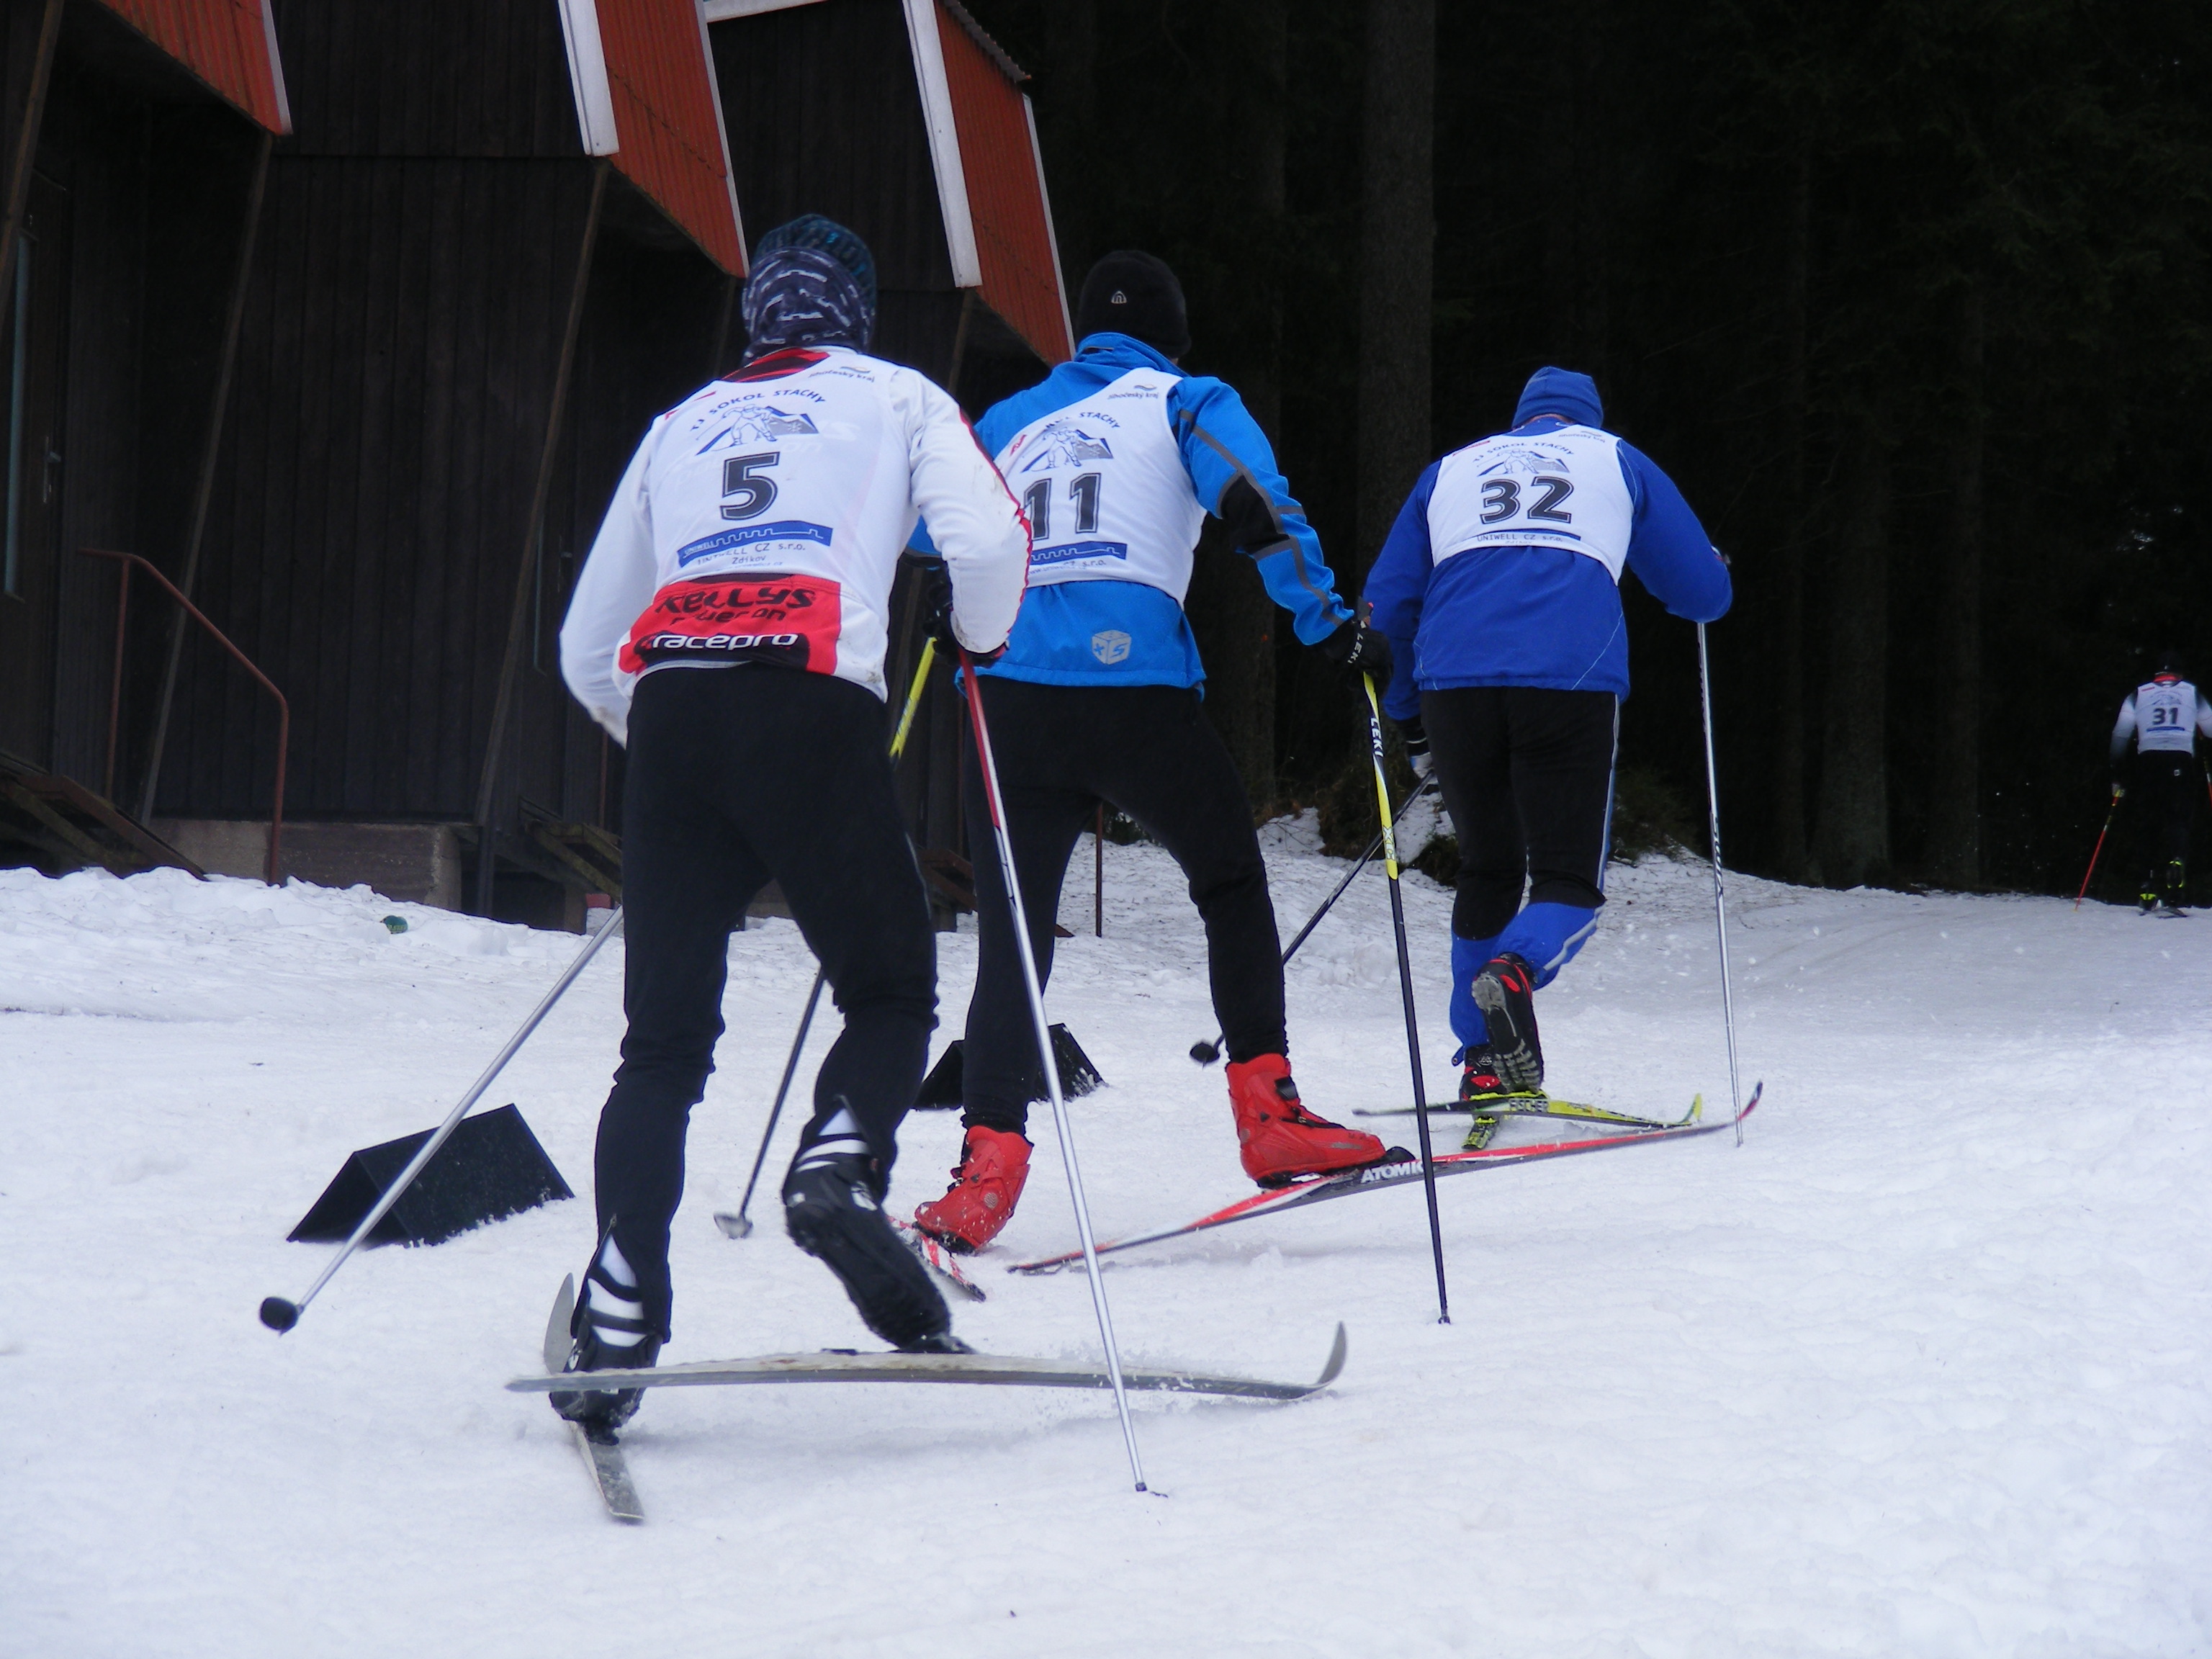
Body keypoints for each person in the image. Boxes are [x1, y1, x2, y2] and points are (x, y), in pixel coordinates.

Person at [550, 216, 1030, 1423]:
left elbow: (583, 644)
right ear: (855, 313)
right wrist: (976, 636)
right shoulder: (897, 395)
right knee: (885, 985)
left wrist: (661, 737)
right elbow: (986, 539)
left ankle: (618, 1297)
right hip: (810, 701)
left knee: (658, 1044)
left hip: (671, 716)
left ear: (757, 315)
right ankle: (839, 1155)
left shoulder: (681, 422)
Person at [909, 250, 1393, 1254]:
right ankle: (1270, 1113)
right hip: (1133, 695)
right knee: (1226, 882)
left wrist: (937, 598)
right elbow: (1256, 504)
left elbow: (928, 535)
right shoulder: (1184, 396)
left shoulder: (1006, 419)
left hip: (1010, 702)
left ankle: (985, 1172)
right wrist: (1329, 627)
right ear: (1171, 332)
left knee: (1014, 938)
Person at [1363, 367, 1731, 1136]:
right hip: (1568, 674)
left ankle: (1484, 1060)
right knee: (1567, 881)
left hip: (1453, 678)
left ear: (1520, 420)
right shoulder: (1615, 458)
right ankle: (1516, 970)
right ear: (1586, 420)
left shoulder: (1452, 470)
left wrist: (1410, 719)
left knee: (1488, 867)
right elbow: (1701, 595)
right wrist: (1713, 571)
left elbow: (1387, 604)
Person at [2109, 657, 2211, 916]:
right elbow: (2210, 728)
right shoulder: (2192, 692)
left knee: (2148, 823)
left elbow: (2121, 733)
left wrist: (2118, 772)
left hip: (2149, 762)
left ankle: (2147, 884)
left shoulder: (2139, 693)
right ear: (2179, 674)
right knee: (2178, 818)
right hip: (2180, 759)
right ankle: (2175, 863)